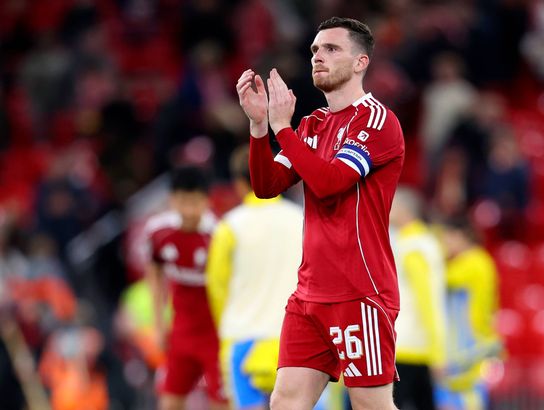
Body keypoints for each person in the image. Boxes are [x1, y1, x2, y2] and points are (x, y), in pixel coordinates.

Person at [236, 16, 405, 410]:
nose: (318, 57)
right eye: (314, 50)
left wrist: (283, 128)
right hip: (309, 295)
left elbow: (329, 184)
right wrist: (260, 126)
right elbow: (267, 186)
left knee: (369, 405)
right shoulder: (313, 125)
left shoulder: (376, 122)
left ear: (361, 62)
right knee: (285, 402)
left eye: (331, 49)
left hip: (358, 291)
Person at [205, 145, 304, 409]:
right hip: (297, 342)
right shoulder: (302, 220)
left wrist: (226, 327)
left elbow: (216, 287)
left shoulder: (229, 226)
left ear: (238, 184)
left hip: (243, 339)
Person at [144, 166, 227, 410]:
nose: (189, 210)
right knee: (169, 401)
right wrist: (158, 324)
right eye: (182, 202)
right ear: (171, 200)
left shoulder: (219, 234)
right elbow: (154, 272)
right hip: (180, 333)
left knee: (221, 403)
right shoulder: (158, 232)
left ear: (206, 201)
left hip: (216, 335)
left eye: (194, 203)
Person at [389, 187, 446, 410]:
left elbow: (427, 300)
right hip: (417, 346)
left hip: (407, 345)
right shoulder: (422, 242)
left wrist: (438, 352)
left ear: (403, 211)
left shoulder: (413, 247)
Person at [436, 217, 501, 410]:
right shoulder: (474, 260)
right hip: (467, 343)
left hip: (472, 342)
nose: (443, 243)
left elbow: (440, 279)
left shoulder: (475, 261)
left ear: (460, 236)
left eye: (446, 238)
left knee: (469, 397)